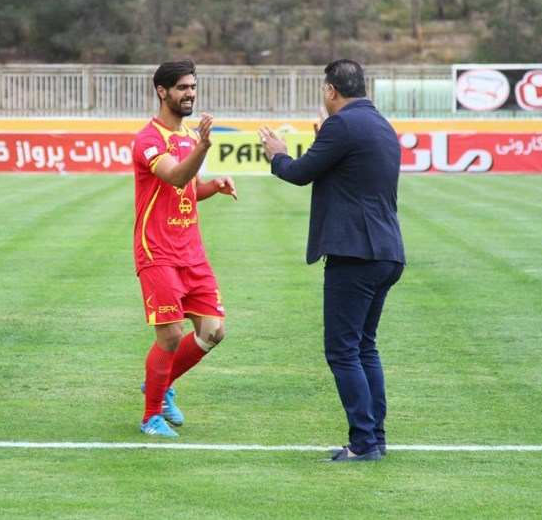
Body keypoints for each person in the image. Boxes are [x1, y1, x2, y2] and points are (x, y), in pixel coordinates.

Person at [259, 59, 405, 462]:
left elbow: (298, 173)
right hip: (386, 252)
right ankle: (374, 438)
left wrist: (277, 154)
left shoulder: (342, 125)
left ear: (330, 91)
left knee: (343, 351)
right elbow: (349, 175)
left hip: (355, 253)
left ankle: (363, 444)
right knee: (364, 347)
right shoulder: (381, 124)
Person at [133, 59, 238, 437]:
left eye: (192, 87)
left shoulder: (190, 137)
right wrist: (205, 147)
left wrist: (213, 186)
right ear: (162, 91)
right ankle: (151, 417)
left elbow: (188, 190)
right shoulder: (148, 140)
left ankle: (159, 384)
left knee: (213, 331)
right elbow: (176, 177)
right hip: (157, 251)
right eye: (182, 88)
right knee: (171, 335)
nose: (189, 93)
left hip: (191, 251)